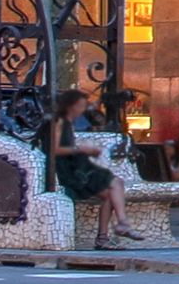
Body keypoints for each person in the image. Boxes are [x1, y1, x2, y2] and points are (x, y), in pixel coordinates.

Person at [45, 88, 130, 250]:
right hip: (67, 172)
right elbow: (54, 149)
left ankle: (109, 233)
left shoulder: (69, 124)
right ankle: (117, 226)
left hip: (76, 168)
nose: (82, 110)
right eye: (80, 106)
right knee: (112, 188)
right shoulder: (59, 122)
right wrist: (81, 150)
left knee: (112, 191)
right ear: (70, 106)